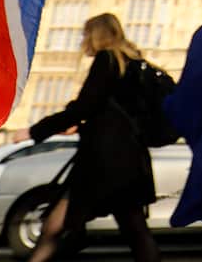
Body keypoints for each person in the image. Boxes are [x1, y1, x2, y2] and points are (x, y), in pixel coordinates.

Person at [13, 13, 160, 262]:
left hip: (101, 164)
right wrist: (82, 127)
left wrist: (35, 131)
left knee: (54, 226)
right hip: (129, 161)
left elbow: (84, 107)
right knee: (135, 230)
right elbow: (115, 116)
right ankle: (75, 238)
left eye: (85, 35)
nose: (83, 41)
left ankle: (70, 241)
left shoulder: (108, 59)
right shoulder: (135, 64)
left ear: (96, 34)